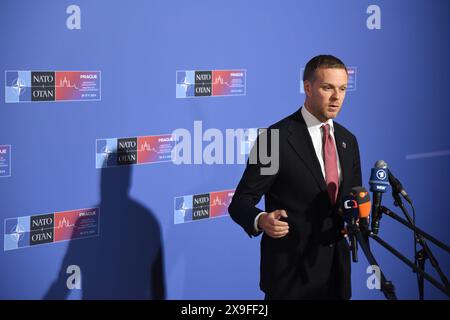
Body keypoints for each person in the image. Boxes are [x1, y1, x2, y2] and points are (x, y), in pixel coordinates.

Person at [228, 55, 362, 300]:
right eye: (327, 87)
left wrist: (357, 212)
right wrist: (261, 219)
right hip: (290, 281)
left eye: (342, 89)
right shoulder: (274, 139)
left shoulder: (348, 140)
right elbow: (240, 203)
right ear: (307, 88)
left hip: (336, 277)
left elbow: (351, 200)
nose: (337, 97)